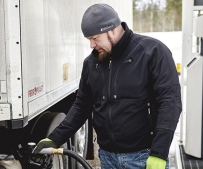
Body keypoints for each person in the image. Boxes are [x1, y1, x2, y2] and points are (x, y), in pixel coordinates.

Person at [34, 3, 182, 169]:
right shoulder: (92, 63)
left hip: (143, 156)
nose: (92, 45)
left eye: (95, 38)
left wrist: (159, 153)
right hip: (107, 157)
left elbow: (171, 103)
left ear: (112, 30)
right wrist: (55, 138)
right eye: (89, 39)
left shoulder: (152, 52)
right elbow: (81, 106)